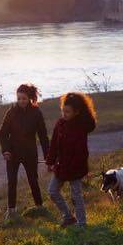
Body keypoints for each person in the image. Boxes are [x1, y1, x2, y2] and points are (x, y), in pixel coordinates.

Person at [0, 83, 50, 221]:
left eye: (24, 98)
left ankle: (40, 207)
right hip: (13, 154)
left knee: (33, 180)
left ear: (30, 98)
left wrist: (48, 156)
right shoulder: (11, 112)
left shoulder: (36, 113)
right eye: (19, 98)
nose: (21, 101)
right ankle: (11, 211)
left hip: (30, 153)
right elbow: (3, 134)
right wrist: (6, 151)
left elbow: (43, 136)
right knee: (12, 182)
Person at [46, 92, 97, 228]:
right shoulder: (60, 124)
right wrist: (50, 162)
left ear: (77, 112)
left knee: (76, 196)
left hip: (75, 168)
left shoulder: (80, 128)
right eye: (63, 111)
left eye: (67, 112)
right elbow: (54, 144)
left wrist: (72, 167)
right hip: (61, 166)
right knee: (52, 191)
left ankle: (82, 223)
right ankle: (68, 216)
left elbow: (81, 152)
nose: (64, 114)